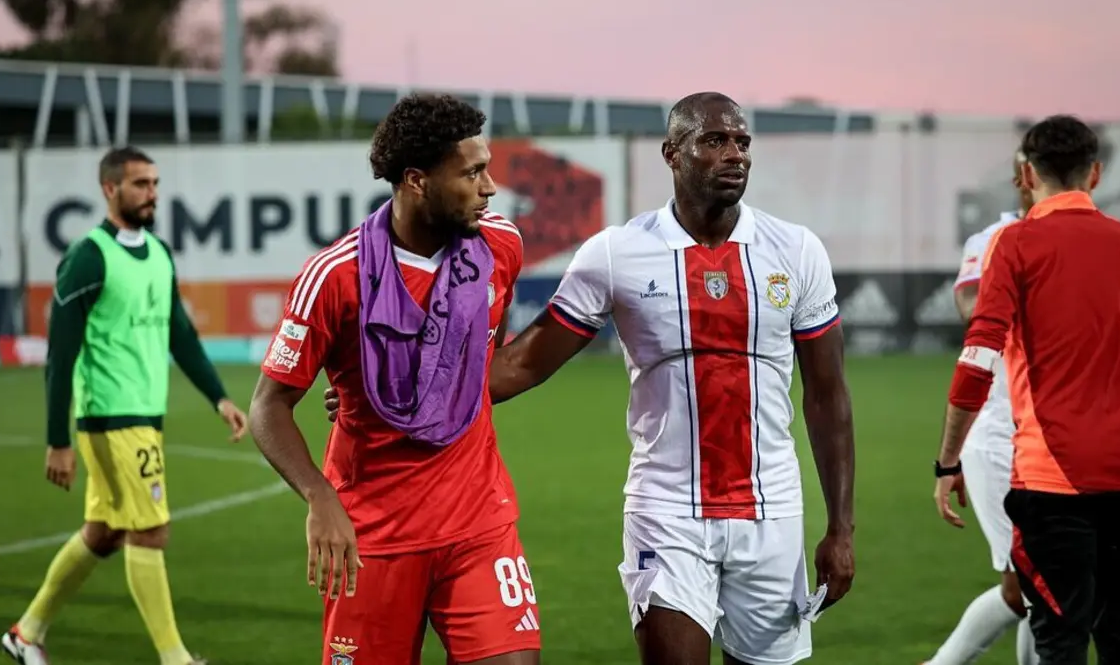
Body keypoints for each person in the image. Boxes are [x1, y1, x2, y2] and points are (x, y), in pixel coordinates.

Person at [350, 91, 851, 665]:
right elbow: (523, 363)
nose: (734, 154)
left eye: (741, 142)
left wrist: (841, 527)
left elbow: (829, 395)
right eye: (714, 142)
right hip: (667, 512)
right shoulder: (617, 254)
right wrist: (395, 397)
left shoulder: (797, 250)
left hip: (773, 513)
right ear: (672, 154)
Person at [248, 93, 539, 665]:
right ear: (416, 180)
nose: (490, 187)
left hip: (478, 524)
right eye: (472, 172)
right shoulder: (335, 276)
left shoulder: (500, 245)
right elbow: (268, 406)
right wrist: (319, 496)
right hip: (373, 538)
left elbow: (476, 361)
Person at [1, 146, 248, 665]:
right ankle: (175, 658)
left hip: (143, 416)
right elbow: (59, 357)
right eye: (140, 184)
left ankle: (26, 633)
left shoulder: (159, 252)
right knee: (151, 529)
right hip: (111, 419)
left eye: (155, 183)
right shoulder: (88, 257)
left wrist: (218, 396)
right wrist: (57, 440)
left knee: (105, 532)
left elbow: (178, 332)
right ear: (109, 189)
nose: (151, 193)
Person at [934, 114, 1120, 665]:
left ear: (1027, 175)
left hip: (1056, 473)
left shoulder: (1015, 242)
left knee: (1059, 634)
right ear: (1096, 173)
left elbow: (978, 354)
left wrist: (947, 460)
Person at [924, 151, 1039, 665]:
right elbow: (974, 310)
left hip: (1053, 437)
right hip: (997, 433)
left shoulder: (1084, 237)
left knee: (1042, 589)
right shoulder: (993, 239)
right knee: (1031, 589)